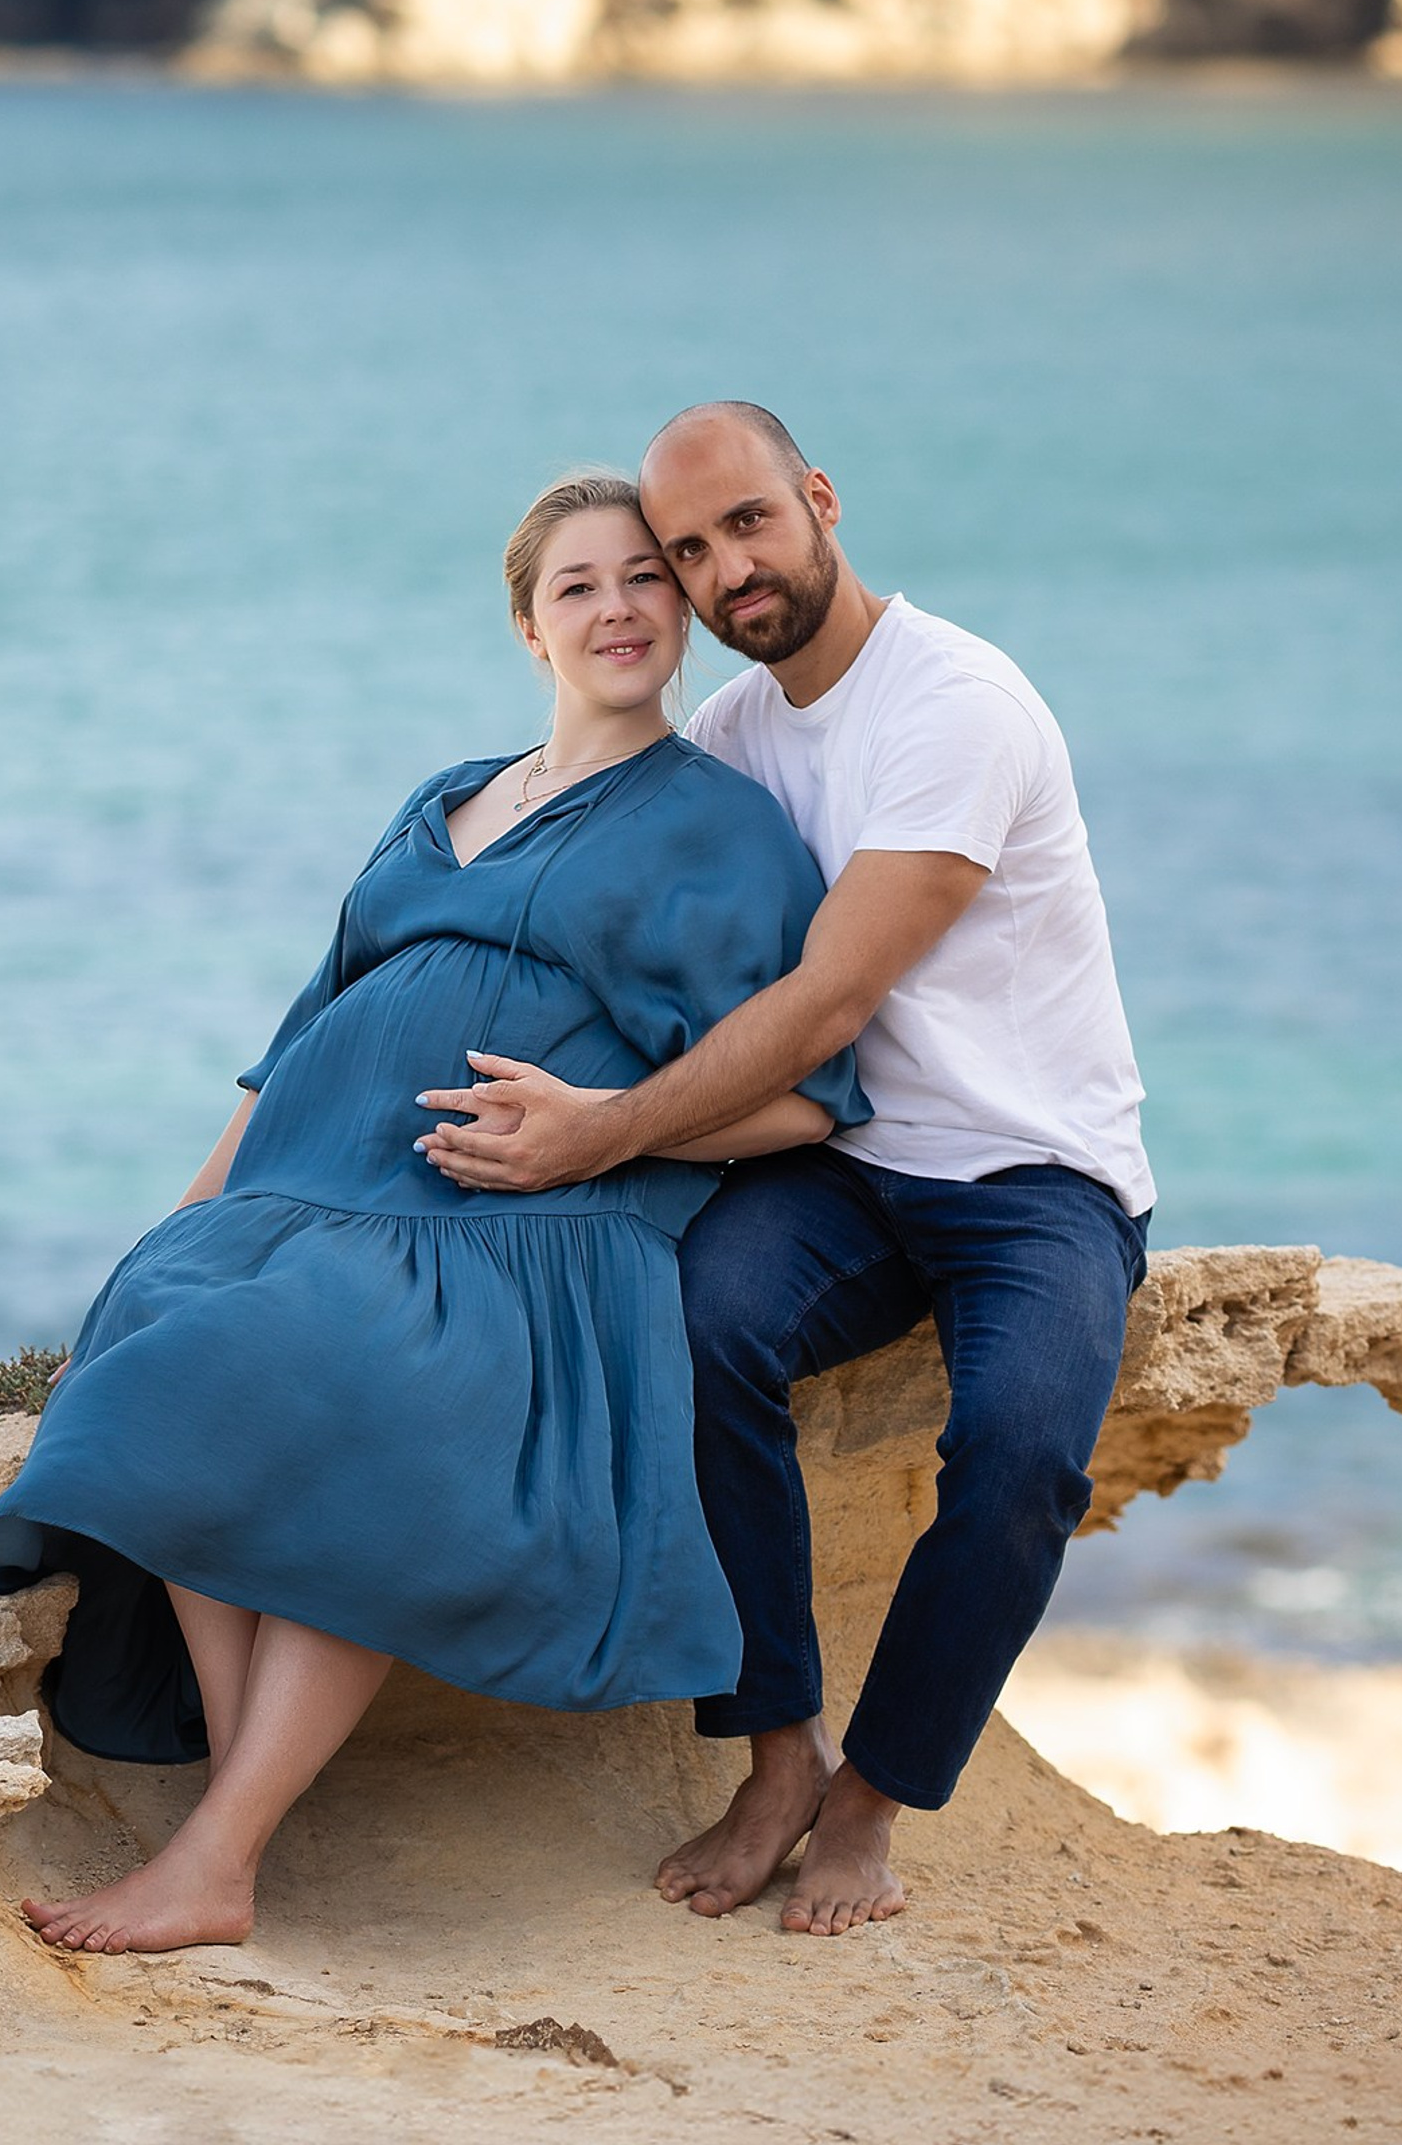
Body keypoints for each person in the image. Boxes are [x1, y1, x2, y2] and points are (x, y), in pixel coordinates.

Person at [0, 472, 868, 1955]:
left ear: (688, 610)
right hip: (309, 1188)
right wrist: (189, 1217)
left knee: (365, 1389)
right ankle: (237, 1771)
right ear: (529, 625)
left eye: (649, 577)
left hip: (511, 1235)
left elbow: (809, 1096)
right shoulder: (442, 795)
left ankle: (218, 1856)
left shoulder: (722, 831)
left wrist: (591, 1149)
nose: (620, 608)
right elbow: (302, 1031)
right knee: (163, 1333)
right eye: (578, 585)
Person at [417, 401, 1151, 1938]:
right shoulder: (739, 734)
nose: (724, 570)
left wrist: (602, 1131)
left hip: (1034, 1178)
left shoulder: (957, 705)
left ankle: (870, 1801)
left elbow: (822, 1003)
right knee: (693, 1334)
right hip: (852, 1165)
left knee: (1020, 1460)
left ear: (819, 501)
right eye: (689, 552)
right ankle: (775, 1754)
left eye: (748, 523)